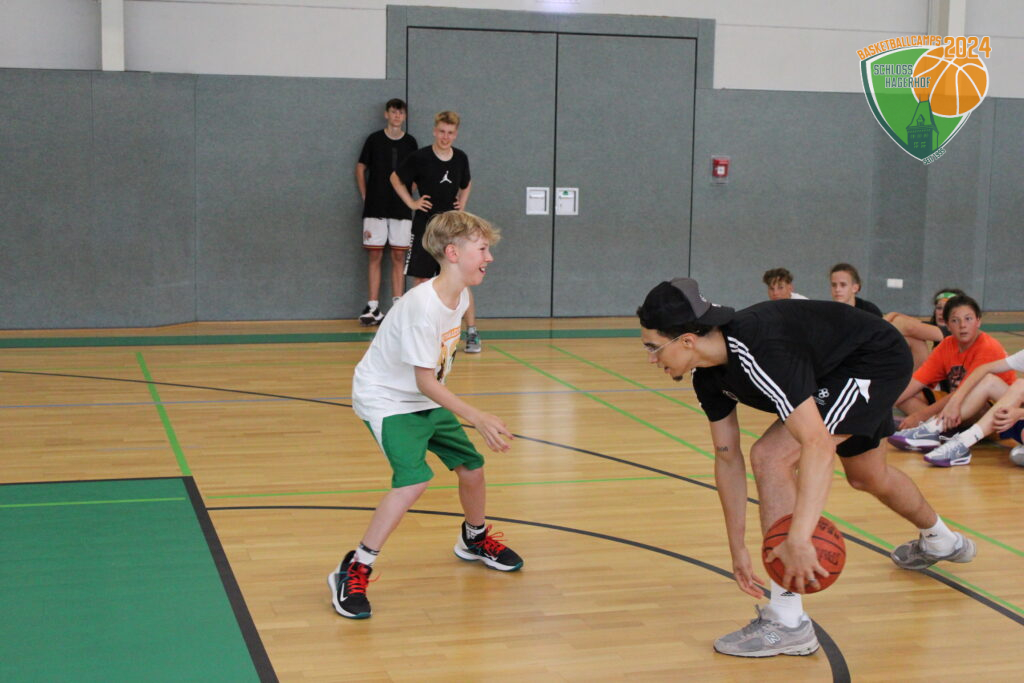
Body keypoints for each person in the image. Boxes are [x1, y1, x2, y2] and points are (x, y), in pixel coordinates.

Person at [637, 277, 975, 658]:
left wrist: (798, 537)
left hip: (871, 359)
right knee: (867, 476)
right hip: (830, 366)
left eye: (653, 347)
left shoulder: (758, 349)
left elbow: (817, 444)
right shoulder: (708, 377)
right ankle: (942, 539)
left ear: (687, 340)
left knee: (771, 456)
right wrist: (738, 547)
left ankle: (787, 620)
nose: (651, 358)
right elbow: (727, 457)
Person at [329, 211, 522, 620]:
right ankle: (355, 567)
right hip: (387, 398)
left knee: (472, 468)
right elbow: (424, 381)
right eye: (482, 249)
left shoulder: (461, 296)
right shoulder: (421, 307)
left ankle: (473, 539)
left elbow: (431, 378)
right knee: (414, 480)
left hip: (422, 396)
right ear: (453, 253)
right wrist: (477, 416)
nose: (489, 257)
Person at [390, 111, 483, 353]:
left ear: (456, 134)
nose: (445, 136)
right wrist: (411, 203)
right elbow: (395, 178)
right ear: (434, 131)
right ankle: (417, 331)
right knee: (421, 280)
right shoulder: (419, 157)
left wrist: (462, 204)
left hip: (453, 227)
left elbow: (466, 184)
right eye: (441, 131)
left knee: (460, 279)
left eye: (450, 133)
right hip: (425, 226)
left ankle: (472, 333)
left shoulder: (460, 158)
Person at [889, 294, 1015, 452]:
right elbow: (916, 382)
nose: (962, 325)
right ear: (947, 325)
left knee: (974, 401)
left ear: (978, 321)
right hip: (957, 402)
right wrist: (879, 407)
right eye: (955, 320)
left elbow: (964, 392)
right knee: (905, 395)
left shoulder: (988, 347)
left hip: (993, 410)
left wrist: (919, 416)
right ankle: (941, 429)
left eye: (968, 319)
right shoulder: (947, 345)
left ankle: (933, 428)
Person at [355, 98, 418, 325]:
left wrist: (408, 194)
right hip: (376, 207)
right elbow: (361, 167)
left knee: (399, 256)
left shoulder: (410, 142)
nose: (397, 116)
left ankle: (398, 308)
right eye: (393, 112)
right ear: (386, 114)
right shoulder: (374, 140)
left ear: (405, 116)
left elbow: (417, 172)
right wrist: (366, 195)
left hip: (401, 208)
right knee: (375, 255)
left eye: (400, 112)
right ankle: (373, 307)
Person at [917, 349, 1024, 466]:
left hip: (1018, 417)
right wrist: (955, 400)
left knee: (1020, 385)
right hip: (1016, 418)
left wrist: (1019, 413)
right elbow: (984, 368)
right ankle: (936, 429)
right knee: (991, 382)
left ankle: (963, 442)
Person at [883, 288, 965, 370]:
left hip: (955, 375)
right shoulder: (935, 327)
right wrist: (893, 314)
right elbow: (907, 321)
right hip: (936, 374)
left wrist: (882, 327)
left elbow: (910, 328)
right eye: (939, 308)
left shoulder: (957, 330)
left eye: (948, 309)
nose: (942, 313)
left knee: (915, 341)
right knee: (910, 339)